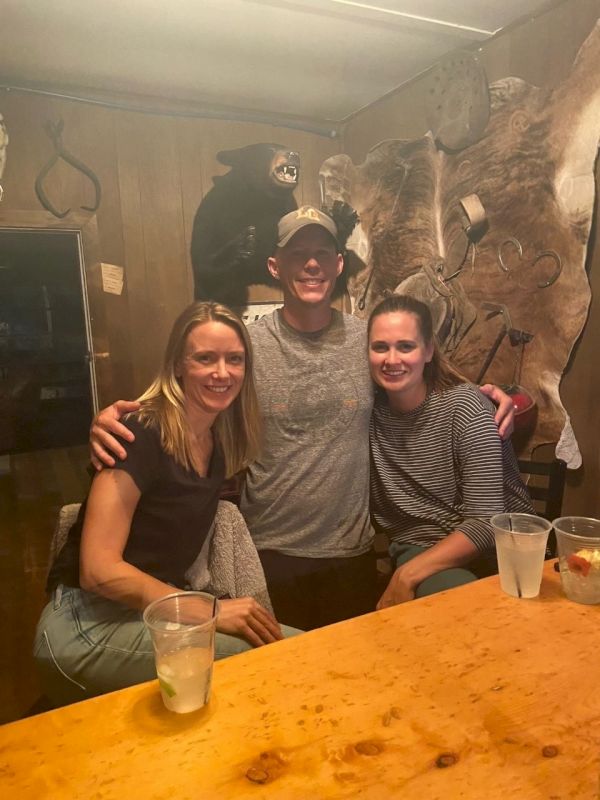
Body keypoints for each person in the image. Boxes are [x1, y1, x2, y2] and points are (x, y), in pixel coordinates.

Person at [89, 206, 515, 631]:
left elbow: (423, 379)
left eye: (323, 253)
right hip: (268, 553)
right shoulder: (245, 348)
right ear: (275, 266)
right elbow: (186, 394)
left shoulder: (366, 341)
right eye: (297, 254)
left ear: (339, 265)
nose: (311, 264)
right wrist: (108, 420)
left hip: (352, 554)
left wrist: (509, 397)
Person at [34, 301, 298, 707]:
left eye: (235, 360)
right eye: (205, 358)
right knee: (275, 662)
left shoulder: (218, 442)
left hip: (149, 615)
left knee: (295, 646)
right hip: (84, 624)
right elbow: (97, 570)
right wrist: (207, 610)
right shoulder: (139, 432)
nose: (222, 373)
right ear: (177, 365)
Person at [367, 294, 533, 609]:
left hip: (500, 550)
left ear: (428, 350)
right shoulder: (366, 412)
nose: (391, 359)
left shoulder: (464, 407)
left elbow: (486, 522)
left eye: (405, 346)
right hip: (419, 545)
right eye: (380, 347)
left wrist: (405, 575)